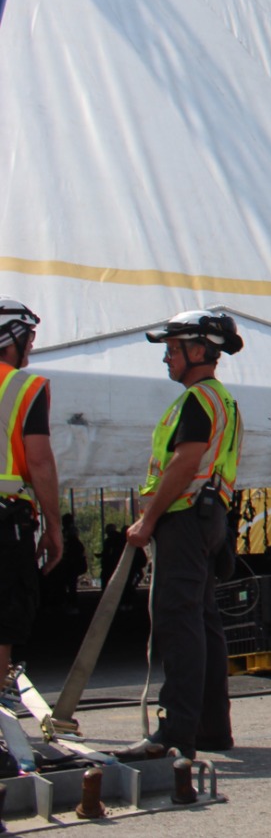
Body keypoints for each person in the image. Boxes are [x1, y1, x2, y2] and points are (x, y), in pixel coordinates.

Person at [117, 309, 244, 761]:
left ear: (199, 350)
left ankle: (176, 730)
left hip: (185, 517)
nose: (167, 358)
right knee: (203, 623)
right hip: (207, 520)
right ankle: (210, 727)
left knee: (179, 621)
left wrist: (148, 519)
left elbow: (184, 462)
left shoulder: (197, 400)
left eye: (173, 350)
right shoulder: (219, 399)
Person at [0, 298, 63, 699]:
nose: (32, 347)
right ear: (12, 337)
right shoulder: (24, 386)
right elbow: (38, 461)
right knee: (2, 621)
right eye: (30, 338)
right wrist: (54, 526)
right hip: (4, 518)